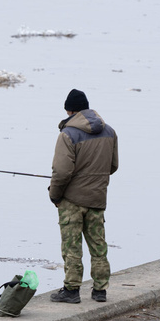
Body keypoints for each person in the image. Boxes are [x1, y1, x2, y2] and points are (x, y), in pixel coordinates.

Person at [48, 89, 118, 305]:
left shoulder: (68, 134)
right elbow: (113, 166)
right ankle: (100, 290)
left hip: (72, 201)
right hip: (97, 198)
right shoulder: (110, 132)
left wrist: (55, 195)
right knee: (98, 246)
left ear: (70, 110)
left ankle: (71, 290)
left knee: (72, 247)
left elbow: (61, 172)